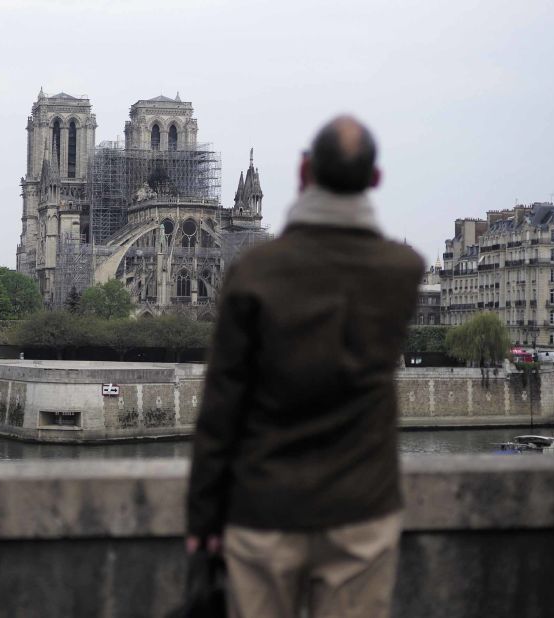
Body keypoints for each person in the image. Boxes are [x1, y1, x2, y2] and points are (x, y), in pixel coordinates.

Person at [187, 116, 424, 618]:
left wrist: (204, 520)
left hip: (263, 509)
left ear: (303, 171)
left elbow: (221, 408)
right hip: (361, 510)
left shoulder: (254, 270)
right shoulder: (403, 271)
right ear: (375, 180)